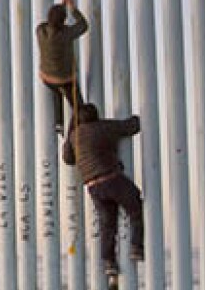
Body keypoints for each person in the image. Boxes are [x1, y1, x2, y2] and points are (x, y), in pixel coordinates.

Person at [62, 102, 145, 275]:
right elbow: (130, 127)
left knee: (107, 225)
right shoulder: (102, 128)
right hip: (111, 178)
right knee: (135, 205)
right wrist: (142, 116)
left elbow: (68, 159)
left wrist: (71, 125)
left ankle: (108, 262)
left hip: (93, 186)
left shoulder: (74, 136)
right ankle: (136, 246)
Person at [37, 0, 88, 134]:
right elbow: (83, 25)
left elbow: (53, 23)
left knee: (56, 91)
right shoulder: (67, 34)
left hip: (46, 77)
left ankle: (59, 123)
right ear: (64, 22)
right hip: (65, 79)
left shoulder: (40, 31)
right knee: (78, 107)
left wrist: (62, 7)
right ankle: (75, 130)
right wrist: (72, 8)